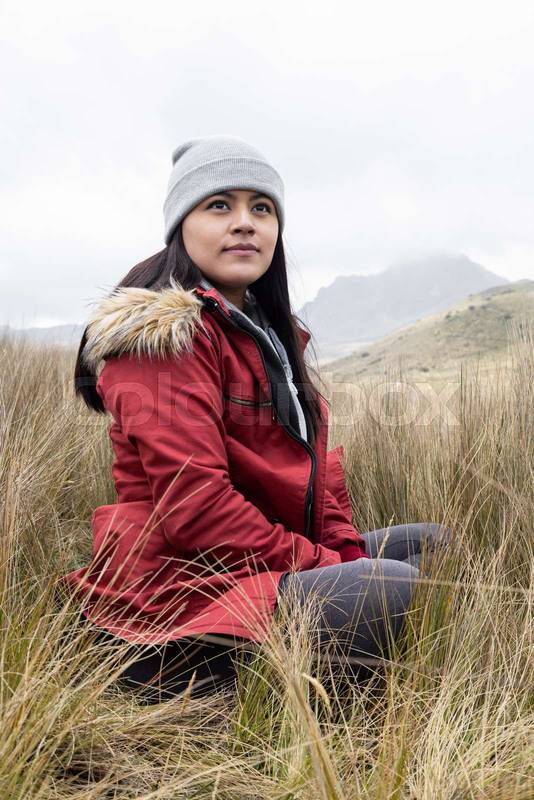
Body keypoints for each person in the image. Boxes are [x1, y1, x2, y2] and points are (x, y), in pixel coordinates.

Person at [64, 135, 452, 702]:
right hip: (182, 598)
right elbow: (196, 511)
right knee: (394, 587)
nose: (245, 222)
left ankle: (308, 676)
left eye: (261, 207)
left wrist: (341, 551)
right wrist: (326, 565)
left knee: (431, 546)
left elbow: (319, 475)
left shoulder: (269, 336)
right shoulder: (165, 339)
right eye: (219, 205)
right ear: (181, 225)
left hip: (258, 571)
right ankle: (202, 691)